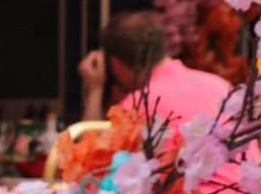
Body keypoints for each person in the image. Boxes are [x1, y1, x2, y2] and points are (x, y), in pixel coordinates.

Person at [78, 10, 229, 125]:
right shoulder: (221, 86)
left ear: (116, 65)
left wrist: (95, 90)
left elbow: (92, 163)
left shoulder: (136, 107)